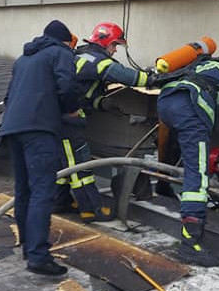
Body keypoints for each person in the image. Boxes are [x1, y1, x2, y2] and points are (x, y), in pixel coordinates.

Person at [156, 46, 219, 267]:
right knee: (197, 172)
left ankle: (164, 189)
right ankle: (191, 243)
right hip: (191, 107)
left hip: (167, 102)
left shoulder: (202, 64)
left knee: (183, 155)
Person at [0, 20, 79, 276]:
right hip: (39, 130)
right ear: (66, 41)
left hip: (13, 127)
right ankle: (39, 256)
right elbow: (66, 86)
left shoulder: (23, 59)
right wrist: (71, 110)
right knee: (43, 192)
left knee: (24, 190)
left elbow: (9, 96)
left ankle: (28, 246)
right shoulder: (61, 53)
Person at [56, 22, 150, 223]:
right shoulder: (98, 61)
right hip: (67, 121)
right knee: (79, 166)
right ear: (105, 41)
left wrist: (102, 103)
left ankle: (58, 201)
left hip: (57, 119)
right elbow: (132, 78)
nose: (115, 50)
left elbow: (82, 93)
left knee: (63, 163)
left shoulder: (80, 55)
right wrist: (156, 77)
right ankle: (91, 210)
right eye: (114, 45)